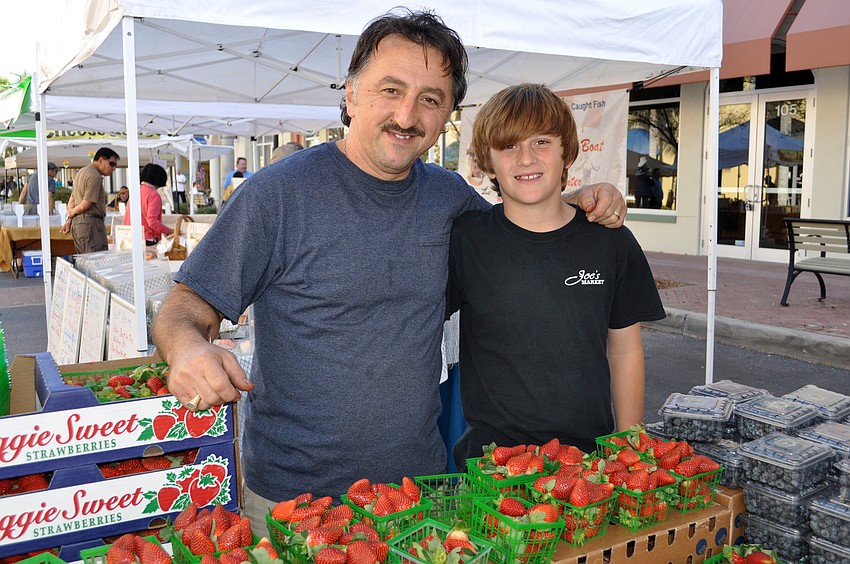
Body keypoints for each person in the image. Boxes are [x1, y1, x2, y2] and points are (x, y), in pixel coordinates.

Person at [151, 8, 626, 533]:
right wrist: (189, 348)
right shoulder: (277, 195)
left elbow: (521, 225)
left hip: (416, 493)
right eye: (389, 90)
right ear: (351, 95)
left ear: (447, 114)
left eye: (430, 99)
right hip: (296, 500)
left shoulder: (449, 198)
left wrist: (578, 200)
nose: (407, 115)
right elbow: (184, 308)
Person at [447, 84, 666, 467]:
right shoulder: (465, 240)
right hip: (491, 468)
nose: (526, 158)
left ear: (568, 151)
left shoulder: (611, 243)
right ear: (487, 161)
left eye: (542, 142)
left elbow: (625, 349)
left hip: (588, 464)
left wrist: (628, 444)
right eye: (509, 146)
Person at [62, 147, 119, 253]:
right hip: (91, 224)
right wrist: (72, 213)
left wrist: (70, 218)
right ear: (101, 160)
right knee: (96, 262)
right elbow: (85, 205)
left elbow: (72, 199)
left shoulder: (81, 172)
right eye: (111, 164)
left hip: (80, 224)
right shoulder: (95, 176)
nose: (114, 168)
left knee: (84, 262)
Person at [124, 163, 173, 246]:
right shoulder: (153, 195)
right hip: (147, 239)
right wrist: (169, 231)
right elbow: (152, 221)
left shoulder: (136, 191)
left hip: (129, 237)